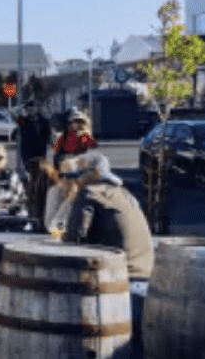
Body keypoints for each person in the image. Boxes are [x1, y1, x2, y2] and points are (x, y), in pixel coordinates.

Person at [63, 152, 154, 356]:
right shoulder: (124, 193)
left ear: (94, 174)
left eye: (79, 173)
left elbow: (73, 239)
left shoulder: (90, 193)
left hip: (120, 281)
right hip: (145, 276)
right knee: (136, 345)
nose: (75, 179)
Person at [17, 102, 53, 221]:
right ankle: (33, 210)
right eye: (29, 109)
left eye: (33, 108)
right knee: (33, 182)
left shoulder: (44, 121)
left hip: (41, 157)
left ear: (37, 109)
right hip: (28, 157)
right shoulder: (24, 121)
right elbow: (12, 114)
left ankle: (37, 210)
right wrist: (20, 109)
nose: (31, 111)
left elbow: (50, 138)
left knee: (40, 183)